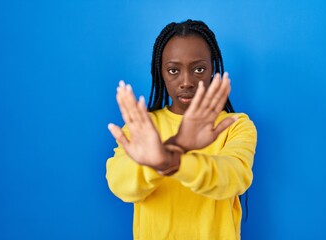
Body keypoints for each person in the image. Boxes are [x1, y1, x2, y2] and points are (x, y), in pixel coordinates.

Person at [106, 19, 257, 240]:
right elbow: (120, 184)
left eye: (198, 69)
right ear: (161, 72)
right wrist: (166, 157)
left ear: (212, 70)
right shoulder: (143, 127)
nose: (186, 82)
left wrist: (172, 158)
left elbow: (234, 178)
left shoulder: (235, 125)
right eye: (173, 70)